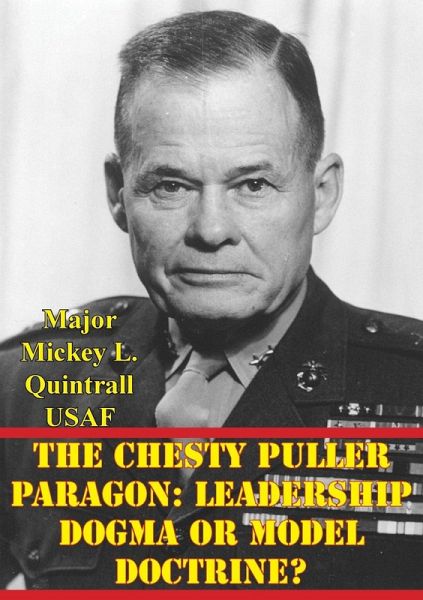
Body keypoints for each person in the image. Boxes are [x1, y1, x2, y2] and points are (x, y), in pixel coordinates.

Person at [1, 10, 423, 590]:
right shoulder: (28, 389)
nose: (211, 229)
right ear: (118, 194)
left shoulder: (410, 392)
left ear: (322, 194)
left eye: (253, 184)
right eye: (171, 185)